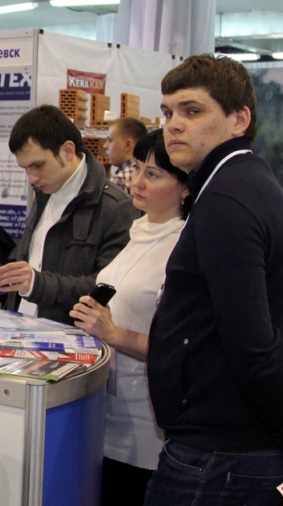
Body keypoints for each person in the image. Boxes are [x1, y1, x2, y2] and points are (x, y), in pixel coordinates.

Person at [145, 54, 283, 505]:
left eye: (192, 110)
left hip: (220, 458)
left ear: (239, 119)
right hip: (240, 447)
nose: (173, 124)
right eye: (168, 112)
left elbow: (252, 341)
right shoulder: (253, 186)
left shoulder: (227, 200)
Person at [70, 129, 188, 506]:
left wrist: (112, 332)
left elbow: (185, 349)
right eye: (136, 168)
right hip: (105, 415)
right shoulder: (140, 232)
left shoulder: (184, 248)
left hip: (145, 430)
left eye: (153, 174)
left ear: (186, 188)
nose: (137, 181)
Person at [0, 106, 137, 324]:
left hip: (71, 338)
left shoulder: (115, 207)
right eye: (25, 169)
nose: (32, 178)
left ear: (68, 151)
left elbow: (109, 288)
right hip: (21, 329)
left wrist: (38, 284)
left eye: (37, 165)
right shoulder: (43, 193)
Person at [106, 117, 148, 196]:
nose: (105, 145)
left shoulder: (119, 179)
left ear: (128, 145)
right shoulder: (148, 175)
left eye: (110, 141)